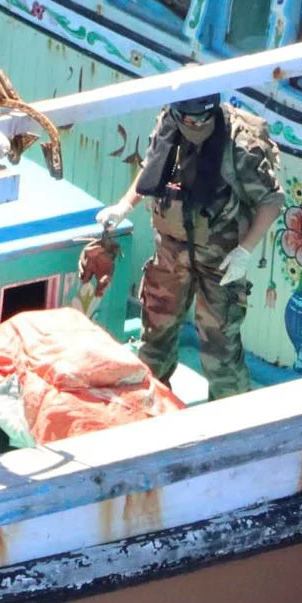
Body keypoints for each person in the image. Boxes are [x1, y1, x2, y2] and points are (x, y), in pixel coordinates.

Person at [98, 94, 283, 401]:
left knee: (219, 349)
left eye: (201, 120)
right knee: (154, 338)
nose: (194, 125)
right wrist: (123, 206)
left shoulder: (239, 145)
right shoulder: (168, 123)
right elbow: (151, 170)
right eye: (188, 119)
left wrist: (245, 250)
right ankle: (150, 408)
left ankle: (231, 421)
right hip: (171, 251)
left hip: (221, 259)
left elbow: (271, 201)